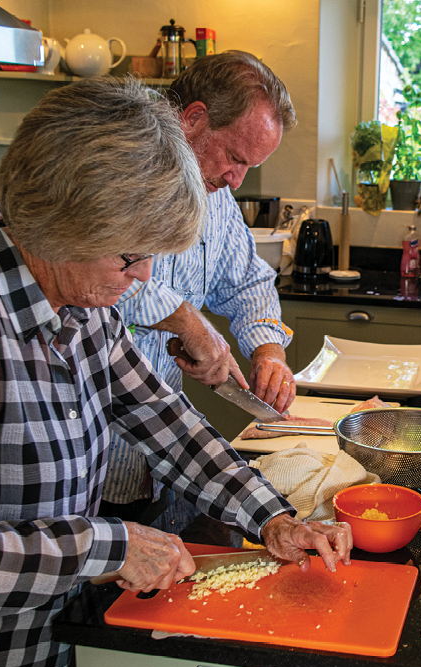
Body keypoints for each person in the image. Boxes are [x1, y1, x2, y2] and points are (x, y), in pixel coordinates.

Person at [0, 77, 351, 667]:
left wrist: (273, 518)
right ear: (63, 223)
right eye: (131, 256)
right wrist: (106, 546)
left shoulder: (83, 308)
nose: (143, 277)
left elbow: (167, 425)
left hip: (48, 641)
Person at [102, 51, 297, 521]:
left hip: (163, 456)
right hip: (94, 457)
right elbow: (97, 273)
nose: (236, 179)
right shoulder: (113, 168)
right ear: (192, 119)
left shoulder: (216, 196)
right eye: (234, 157)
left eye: (249, 166)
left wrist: (268, 351)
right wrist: (186, 320)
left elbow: (248, 281)